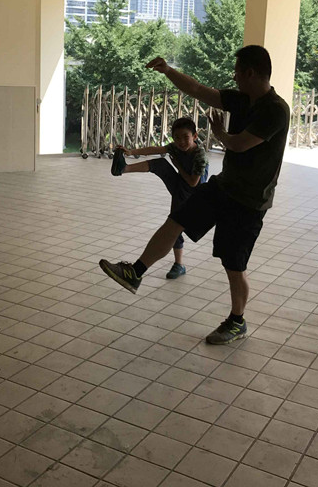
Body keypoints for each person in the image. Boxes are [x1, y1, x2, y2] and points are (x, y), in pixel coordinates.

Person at [99, 46, 290, 345]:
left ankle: (237, 321)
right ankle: (135, 272)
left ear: (251, 72)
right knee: (177, 219)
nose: (234, 77)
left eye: (237, 72)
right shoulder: (242, 99)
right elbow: (198, 90)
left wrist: (220, 133)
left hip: (250, 201)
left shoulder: (275, 110)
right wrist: (168, 71)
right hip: (223, 186)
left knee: (234, 264)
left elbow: (239, 144)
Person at [110, 117, 209, 279]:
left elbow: (193, 182)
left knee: (175, 226)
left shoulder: (200, 156)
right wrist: (131, 152)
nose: (181, 141)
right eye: (177, 138)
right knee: (160, 164)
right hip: (180, 187)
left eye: (186, 137)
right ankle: (123, 168)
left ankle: (179, 264)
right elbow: (155, 149)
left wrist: (177, 166)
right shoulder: (175, 147)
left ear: (195, 136)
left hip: (192, 194)